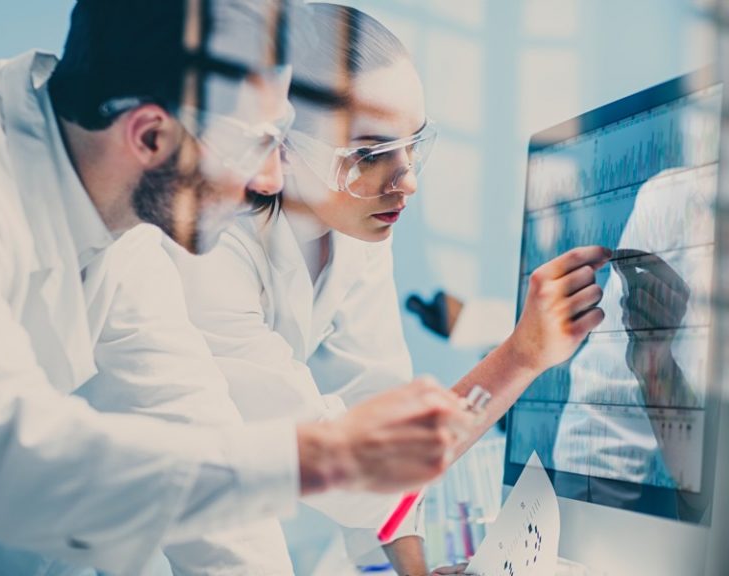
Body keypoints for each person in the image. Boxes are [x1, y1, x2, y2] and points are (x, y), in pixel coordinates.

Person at [0, 1, 477, 574]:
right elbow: (1, 459)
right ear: (151, 135)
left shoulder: (125, 232)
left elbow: (192, 425)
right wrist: (323, 455)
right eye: (257, 144)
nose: (271, 180)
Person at [173, 3, 611, 573]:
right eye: (370, 154)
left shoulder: (354, 229)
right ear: (275, 145)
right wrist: (522, 356)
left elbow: (373, 406)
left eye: (411, 145)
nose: (405, 181)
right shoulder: (205, 249)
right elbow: (350, 464)